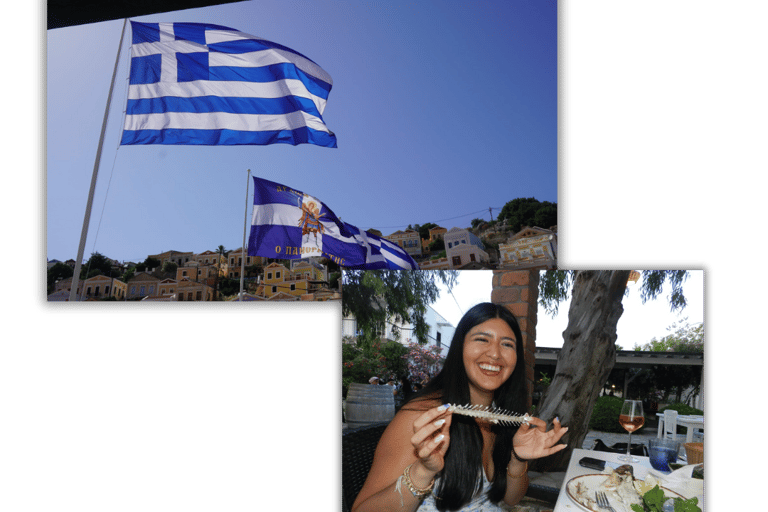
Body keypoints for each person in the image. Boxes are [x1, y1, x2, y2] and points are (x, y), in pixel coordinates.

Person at [351, 303, 568, 512]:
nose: (495, 354)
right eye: (482, 339)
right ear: (459, 347)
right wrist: (422, 471)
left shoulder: (500, 416)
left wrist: (518, 459)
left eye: (507, 344)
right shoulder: (423, 417)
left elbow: (511, 499)